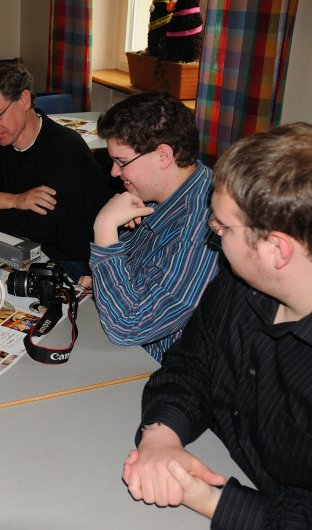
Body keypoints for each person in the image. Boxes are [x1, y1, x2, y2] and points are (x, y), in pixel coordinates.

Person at [123, 123, 312, 530]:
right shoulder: (250, 276)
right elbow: (192, 363)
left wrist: (209, 499)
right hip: (223, 464)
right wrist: (161, 436)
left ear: (276, 249)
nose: (213, 231)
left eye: (223, 228)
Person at [81, 91, 219, 361]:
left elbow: (127, 326)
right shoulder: (167, 193)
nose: (114, 172)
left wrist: (105, 227)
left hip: (151, 368)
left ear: (163, 156)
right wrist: (102, 284)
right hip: (125, 349)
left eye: (121, 162)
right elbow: (134, 283)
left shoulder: (199, 231)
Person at [0, 62, 108, 280]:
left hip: (68, 262)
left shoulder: (67, 149)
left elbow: (40, 227)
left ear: (24, 100)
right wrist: (15, 201)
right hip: (14, 245)